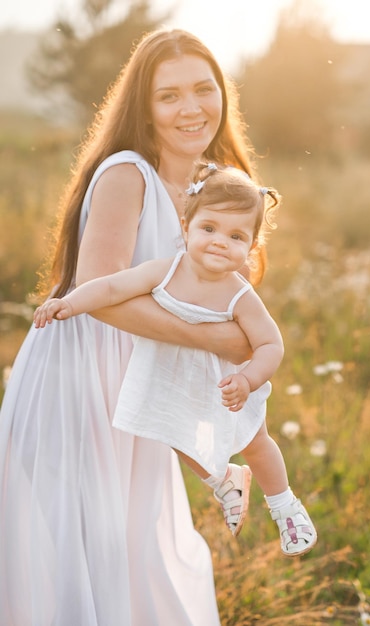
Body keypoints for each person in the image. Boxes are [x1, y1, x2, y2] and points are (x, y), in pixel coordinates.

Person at [0, 27, 266, 626]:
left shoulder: (213, 184)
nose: (191, 107)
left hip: (141, 383)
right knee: (80, 549)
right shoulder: (127, 172)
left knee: (141, 544)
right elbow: (97, 294)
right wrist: (211, 337)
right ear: (144, 105)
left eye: (203, 89)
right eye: (168, 95)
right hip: (80, 380)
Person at [34, 162, 317, 557]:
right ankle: (224, 481)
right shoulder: (165, 272)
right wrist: (69, 302)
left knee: (255, 442)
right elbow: (112, 286)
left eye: (236, 236)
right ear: (186, 228)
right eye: (209, 229)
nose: (220, 241)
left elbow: (271, 345)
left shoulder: (239, 296)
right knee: (173, 432)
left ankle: (284, 505)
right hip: (172, 377)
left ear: (251, 247)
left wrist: (248, 381)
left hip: (227, 385)